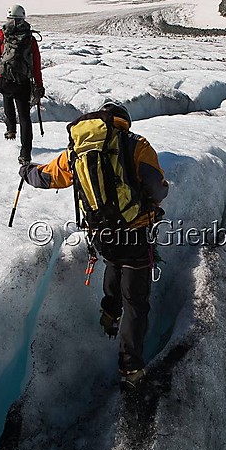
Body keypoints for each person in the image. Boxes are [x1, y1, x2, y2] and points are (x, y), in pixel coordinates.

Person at [18, 102, 169, 388]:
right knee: (136, 302)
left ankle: (109, 315)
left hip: (101, 233)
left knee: (113, 263)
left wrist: (26, 171)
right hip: (134, 232)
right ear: (124, 121)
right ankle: (130, 367)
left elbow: (48, 177)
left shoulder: (80, 149)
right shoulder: (137, 144)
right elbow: (157, 188)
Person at [0, 4, 45, 165]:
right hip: (22, 82)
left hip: (2, 79)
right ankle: (25, 154)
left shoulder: (1, 34)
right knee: (25, 117)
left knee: (7, 95)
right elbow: (36, 65)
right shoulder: (29, 38)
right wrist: (39, 86)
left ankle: (11, 128)